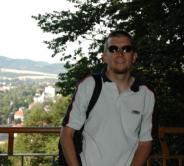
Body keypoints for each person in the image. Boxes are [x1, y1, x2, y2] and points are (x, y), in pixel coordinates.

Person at [60, 30, 155, 166]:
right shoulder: (89, 85)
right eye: (113, 49)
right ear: (104, 56)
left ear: (134, 56)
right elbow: (67, 133)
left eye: (126, 49)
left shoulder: (146, 94)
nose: (120, 53)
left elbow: (145, 142)